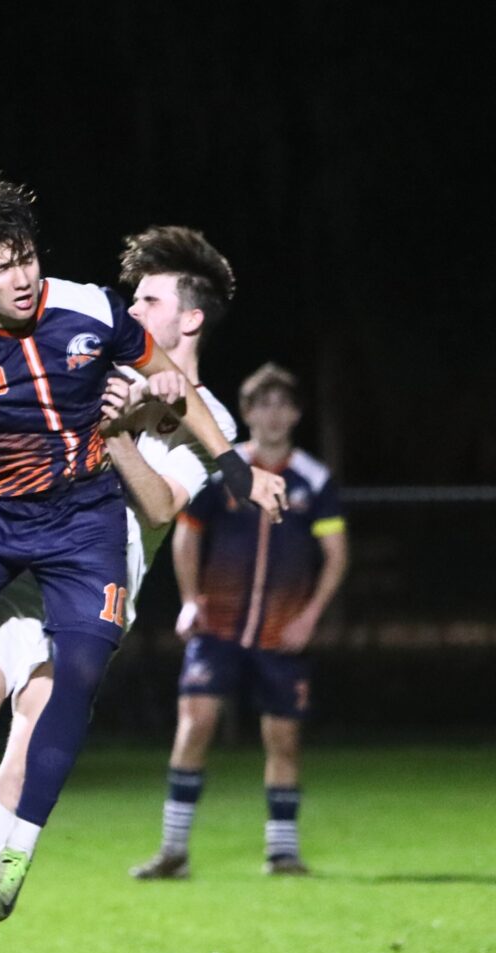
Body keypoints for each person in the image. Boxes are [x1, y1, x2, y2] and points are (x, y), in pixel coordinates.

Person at [0, 178, 285, 953]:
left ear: (189, 317)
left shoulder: (201, 406)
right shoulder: (89, 347)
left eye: (149, 297)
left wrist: (118, 435)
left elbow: (157, 502)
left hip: (89, 582)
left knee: (21, 755)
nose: (131, 305)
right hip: (20, 574)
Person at [130, 362, 348, 881]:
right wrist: (190, 600)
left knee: (283, 739)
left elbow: (336, 555)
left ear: (296, 414)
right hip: (218, 627)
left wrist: (310, 617)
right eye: (262, 405)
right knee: (194, 727)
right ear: (246, 413)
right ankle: (174, 851)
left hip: (281, 632)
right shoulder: (227, 468)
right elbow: (187, 532)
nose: (273, 415)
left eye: (283, 405)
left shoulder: (313, 480)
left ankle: (282, 852)